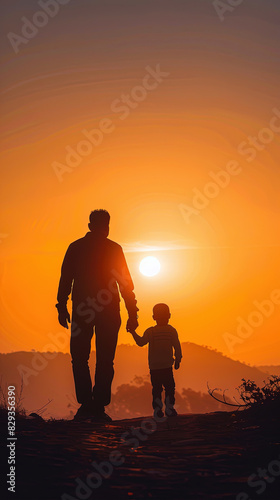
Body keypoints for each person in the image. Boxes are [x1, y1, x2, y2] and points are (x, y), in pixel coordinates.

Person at [56, 209, 138, 421]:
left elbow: (66, 278)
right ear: (107, 227)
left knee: (79, 358)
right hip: (110, 311)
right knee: (105, 359)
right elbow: (125, 284)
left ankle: (86, 404)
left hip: (82, 310)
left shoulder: (76, 247)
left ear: (90, 225)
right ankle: (98, 406)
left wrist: (61, 306)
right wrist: (132, 313)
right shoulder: (114, 249)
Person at [128, 303, 182, 418]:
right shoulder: (171, 331)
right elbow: (177, 346)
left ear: (153, 317)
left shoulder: (150, 332)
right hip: (166, 366)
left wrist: (133, 332)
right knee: (169, 388)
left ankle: (158, 410)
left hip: (155, 367)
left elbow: (141, 342)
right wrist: (178, 359)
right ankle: (169, 408)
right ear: (169, 316)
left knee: (157, 389)